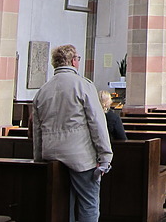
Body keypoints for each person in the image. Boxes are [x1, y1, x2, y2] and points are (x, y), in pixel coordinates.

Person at [32, 45, 112, 222]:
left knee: (59, 205)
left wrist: (38, 159)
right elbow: (97, 122)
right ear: (74, 61)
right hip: (80, 157)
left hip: (51, 155)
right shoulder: (84, 85)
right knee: (88, 204)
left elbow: (37, 130)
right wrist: (105, 156)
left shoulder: (42, 90)